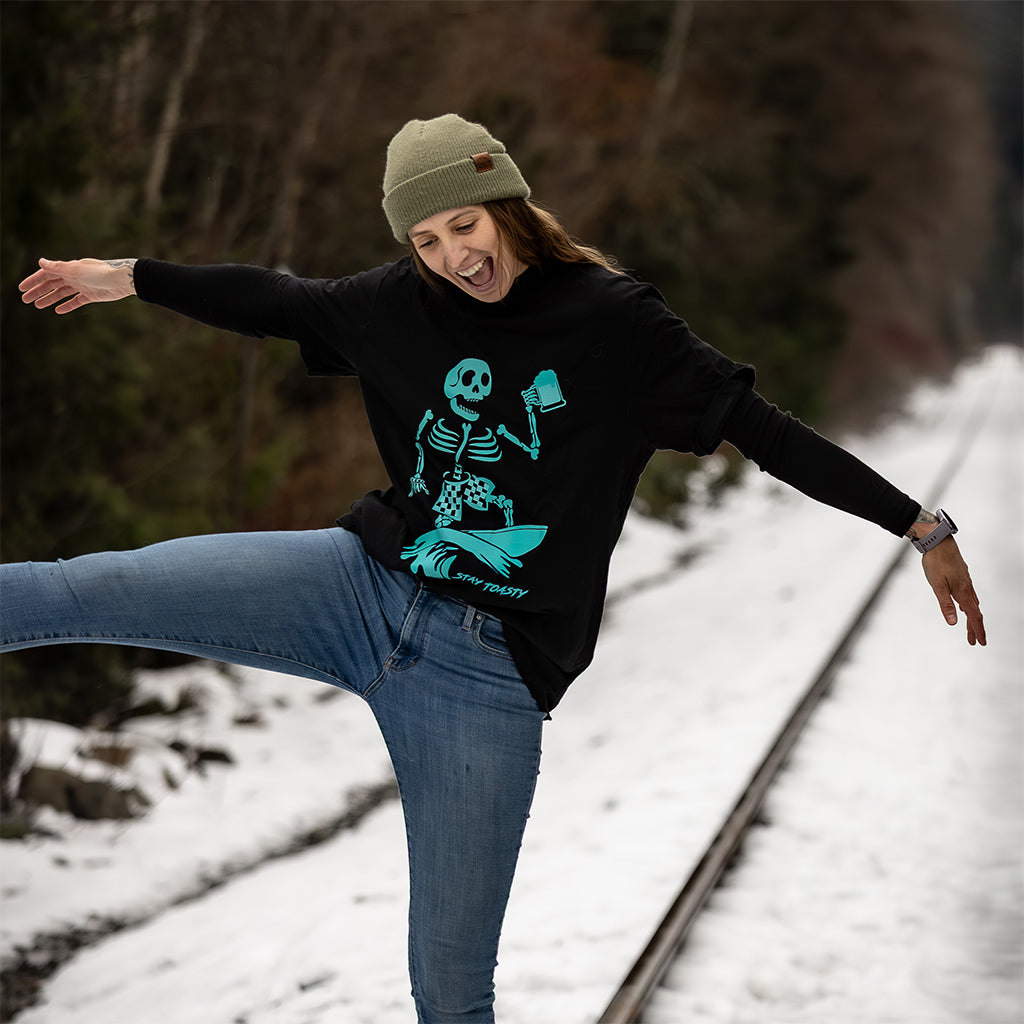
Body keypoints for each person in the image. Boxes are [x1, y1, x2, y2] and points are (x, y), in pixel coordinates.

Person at [5, 114, 985, 1022]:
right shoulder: (399, 304)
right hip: (358, 587)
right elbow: (277, 298)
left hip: (487, 675)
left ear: (509, 205)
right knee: (83, 585)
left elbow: (766, 434)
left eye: (463, 225)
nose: (451, 258)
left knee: (449, 986)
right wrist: (133, 274)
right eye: (423, 241)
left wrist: (917, 525)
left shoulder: (615, 323)